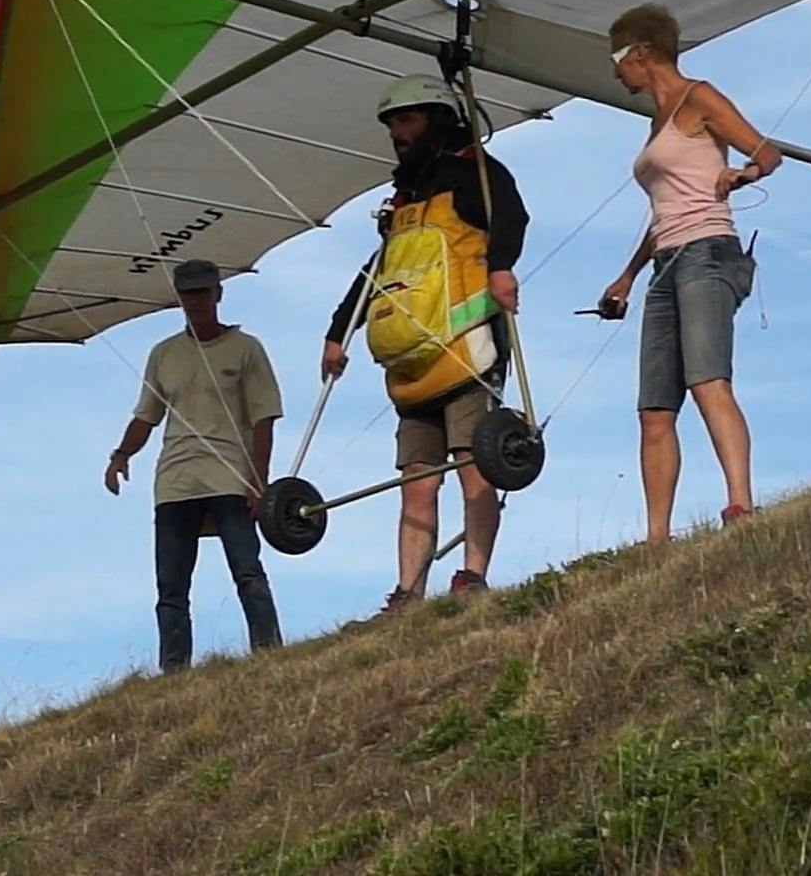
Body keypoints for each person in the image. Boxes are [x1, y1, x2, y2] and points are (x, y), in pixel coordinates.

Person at [323, 74, 529, 612]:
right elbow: (380, 267)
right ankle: (409, 592)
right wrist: (339, 331)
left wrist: (501, 267)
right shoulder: (404, 197)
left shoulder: (474, 173)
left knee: (472, 462)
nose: (397, 132)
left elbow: (512, 216)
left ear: (437, 120)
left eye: (407, 120)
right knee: (416, 478)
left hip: (467, 345)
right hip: (413, 360)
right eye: (392, 124)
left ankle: (473, 576)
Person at [597, 3, 782, 544]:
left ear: (641, 53)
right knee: (654, 409)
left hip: (708, 252)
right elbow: (664, 213)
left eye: (617, 59)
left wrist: (744, 173)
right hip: (665, 263)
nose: (615, 73)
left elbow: (767, 152)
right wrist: (628, 275)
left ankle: (740, 503)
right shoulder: (655, 121)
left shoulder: (698, 97)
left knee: (707, 380)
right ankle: (657, 537)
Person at [104, 257, 284, 673]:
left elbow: (264, 418)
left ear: (218, 294)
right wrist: (121, 454)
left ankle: (269, 651)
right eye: (188, 294)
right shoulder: (163, 354)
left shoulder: (246, 348)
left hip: (230, 477)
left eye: (202, 293)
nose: (196, 302)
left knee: (248, 570)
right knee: (171, 586)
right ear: (179, 299)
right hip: (176, 481)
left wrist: (259, 481)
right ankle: (174, 669)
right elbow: (146, 415)